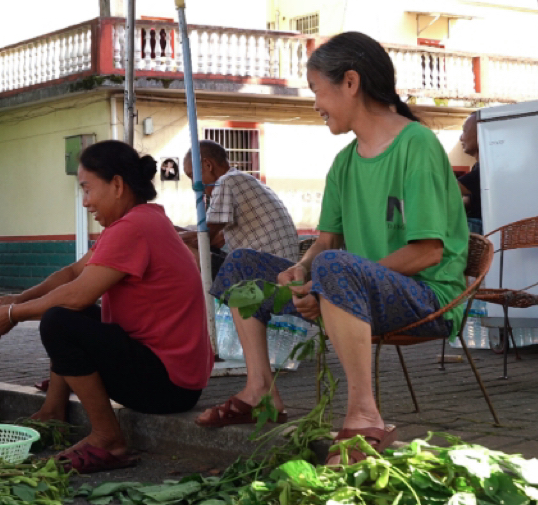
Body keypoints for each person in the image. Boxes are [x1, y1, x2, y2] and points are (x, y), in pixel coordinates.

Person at [198, 32, 468, 465]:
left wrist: (331, 281)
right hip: (351, 290)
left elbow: (427, 253)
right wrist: (304, 270)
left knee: (337, 267)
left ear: (350, 83)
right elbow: (325, 242)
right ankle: (260, 390)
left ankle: (365, 415)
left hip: (427, 297)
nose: (315, 104)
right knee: (243, 265)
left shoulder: (417, 146)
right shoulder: (344, 163)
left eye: (316, 90)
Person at [0, 140, 213, 474]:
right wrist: (17, 300)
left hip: (168, 386)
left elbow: (77, 295)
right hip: (172, 377)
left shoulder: (134, 227)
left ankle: (108, 439)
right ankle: (53, 410)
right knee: (65, 315)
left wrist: (11, 315)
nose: (86, 201)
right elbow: (73, 274)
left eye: (87, 189)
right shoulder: (138, 220)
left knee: (59, 321)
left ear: (117, 185)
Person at [180, 141, 299, 274]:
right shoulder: (241, 180)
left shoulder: (226, 182)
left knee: (183, 248)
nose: (193, 184)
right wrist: (174, 230)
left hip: (268, 271)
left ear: (208, 165)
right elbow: (216, 238)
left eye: (192, 175)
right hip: (281, 267)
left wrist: (171, 237)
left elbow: (203, 237)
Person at [457, 112, 482, 234]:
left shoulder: (485, 170)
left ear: (480, 133)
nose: (461, 138)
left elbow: (447, 190)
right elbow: (466, 201)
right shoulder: (478, 167)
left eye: (465, 131)